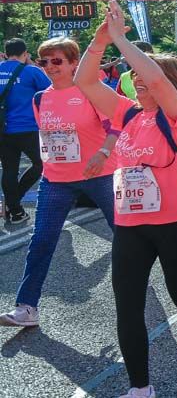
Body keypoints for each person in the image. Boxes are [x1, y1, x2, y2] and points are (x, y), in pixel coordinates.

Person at [77, 1, 177, 398]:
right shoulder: (129, 114)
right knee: (127, 305)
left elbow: (158, 81)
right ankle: (140, 388)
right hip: (131, 224)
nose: (138, 78)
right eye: (135, 75)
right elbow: (86, 82)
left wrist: (123, 40)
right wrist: (99, 42)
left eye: (145, 74)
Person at [0, 38, 117, 327]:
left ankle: (142, 284)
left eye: (57, 61)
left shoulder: (90, 92)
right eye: (43, 61)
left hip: (99, 176)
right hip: (56, 180)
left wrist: (103, 153)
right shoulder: (40, 98)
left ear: (74, 62)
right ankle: (27, 307)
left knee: (128, 237)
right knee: (41, 241)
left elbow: (116, 125)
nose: (50, 67)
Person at [0, 38, 51, 224]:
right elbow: (51, 91)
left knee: (9, 170)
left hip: (3, 130)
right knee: (42, 165)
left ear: (5, 53)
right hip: (29, 128)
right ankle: (14, 203)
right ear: (25, 53)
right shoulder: (31, 71)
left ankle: (15, 210)